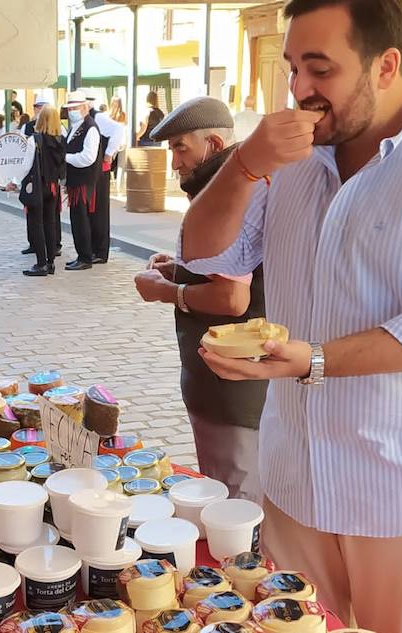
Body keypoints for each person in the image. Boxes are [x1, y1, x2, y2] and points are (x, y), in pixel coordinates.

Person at [176, 0, 402, 630]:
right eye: (291, 69)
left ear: (386, 65)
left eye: (321, 70)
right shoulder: (286, 153)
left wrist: (313, 359)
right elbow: (206, 252)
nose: (301, 92)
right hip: (296, 480)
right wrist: (243, 164)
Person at [132, 96, 266, 501]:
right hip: (219, 382)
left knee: (236, 507)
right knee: (228, 493)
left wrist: (166, 292)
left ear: (212, 144)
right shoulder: (226, 186)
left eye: (180, 147)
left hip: (231, 388)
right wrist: (181, 268)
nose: (174, 162)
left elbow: (231, 298)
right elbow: (231, 269)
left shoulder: (231, 192)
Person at [20, 104, 66, 276]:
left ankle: (41, 263)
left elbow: (26, 166)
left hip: (38, 185)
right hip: (53, 187)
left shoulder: (35, 140)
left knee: (36, 223)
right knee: (50, 223)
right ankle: (51, 262)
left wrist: (16, 183)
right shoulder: (61, 140)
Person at [62, 91, 102, 271]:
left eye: (75, 108)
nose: (72, 111)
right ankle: (81, 254)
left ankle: (85, 256)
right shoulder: (75, 127)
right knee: (77, 220)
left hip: (83, 180)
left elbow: (88, 157)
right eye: (70, 108)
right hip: (75, 180)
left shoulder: (90, 127)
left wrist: (66, 158)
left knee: (81, 219)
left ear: (85, 108)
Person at [91, 98, 129, 263]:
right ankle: (94, 248)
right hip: (93, 168)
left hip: (100, 168)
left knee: (99, 209)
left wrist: (109, 153)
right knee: (93, 210)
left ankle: (100, 251)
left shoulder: (98, 118)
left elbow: (118, 130)